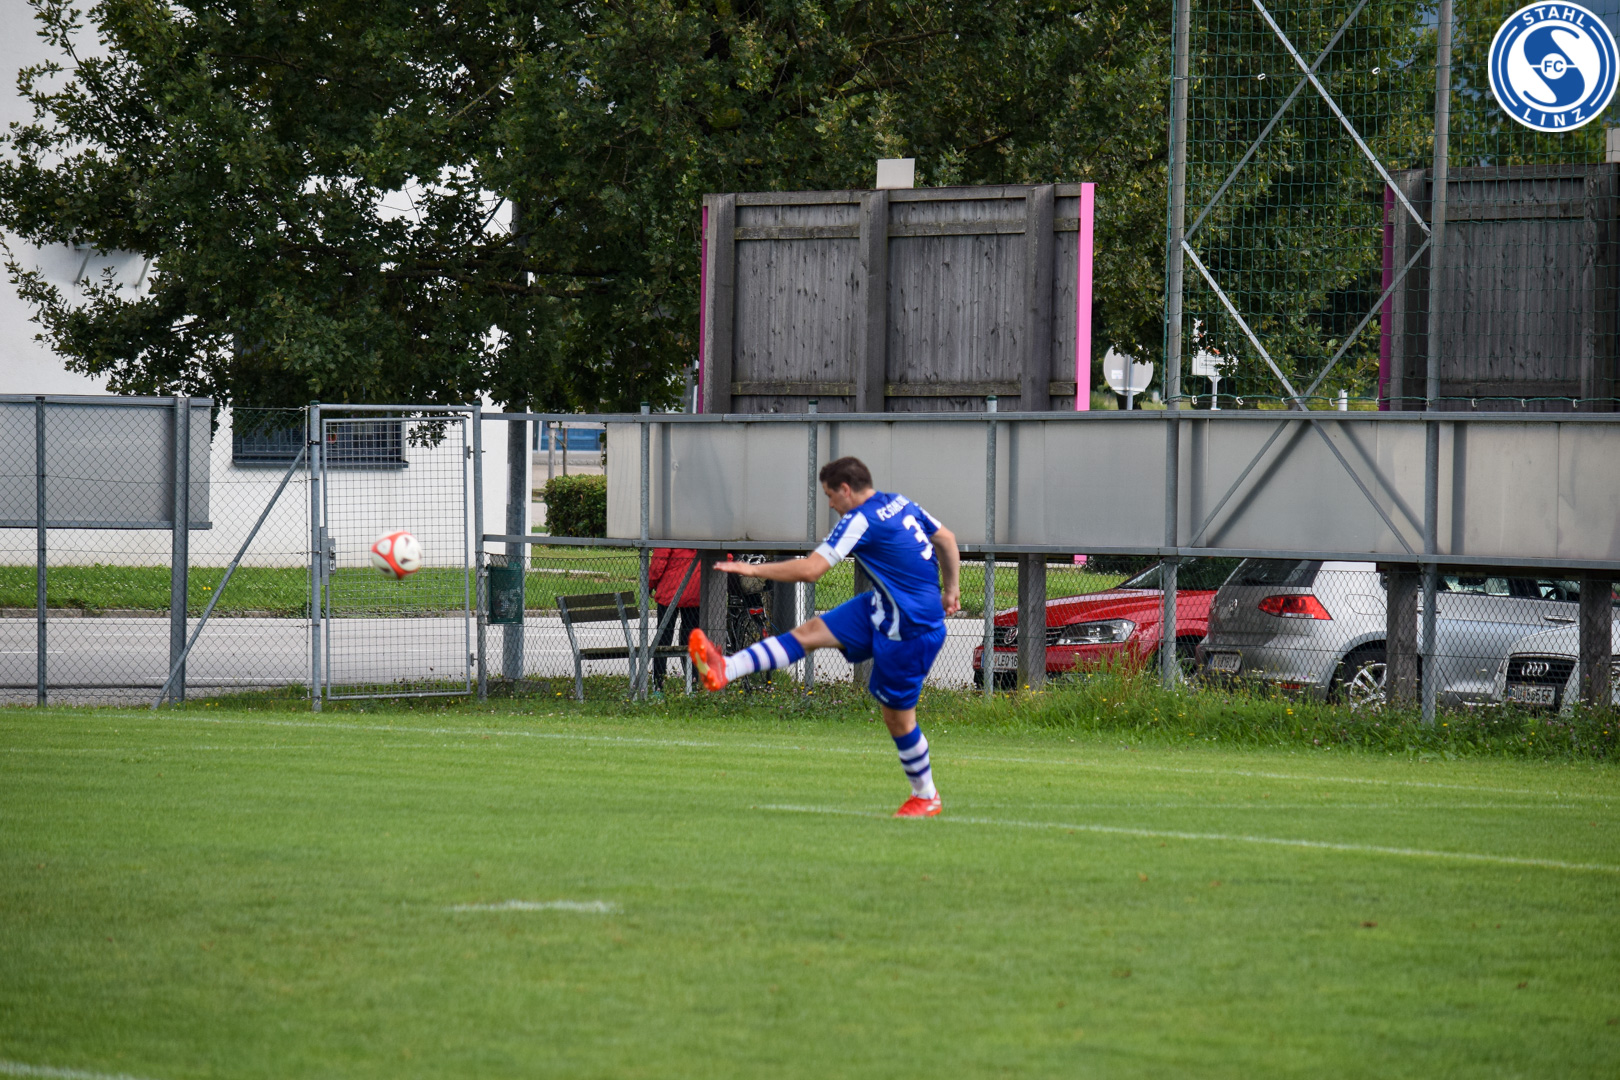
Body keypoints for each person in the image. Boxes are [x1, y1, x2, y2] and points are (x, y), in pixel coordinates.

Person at [687, 456, 960, 817]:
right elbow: (946, 538)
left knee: (898, 719)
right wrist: (951, 589)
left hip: (910, 628)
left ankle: (926, 795)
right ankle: (725, 668)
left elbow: (811, 570)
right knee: (809, 632)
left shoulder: (860, 519)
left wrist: (752, 569)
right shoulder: (899, 502)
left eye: (830, 495)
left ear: (846, 489)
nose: (830, 504)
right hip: (884, 606)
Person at [647, 547, 701, 690]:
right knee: (690, 638)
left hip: (669, 590)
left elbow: (659, 562)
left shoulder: (668, 536)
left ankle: (658, 683)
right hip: (695, 590)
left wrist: (650, 583)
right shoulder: (703, 535)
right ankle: (693, 680)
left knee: (663, 638)